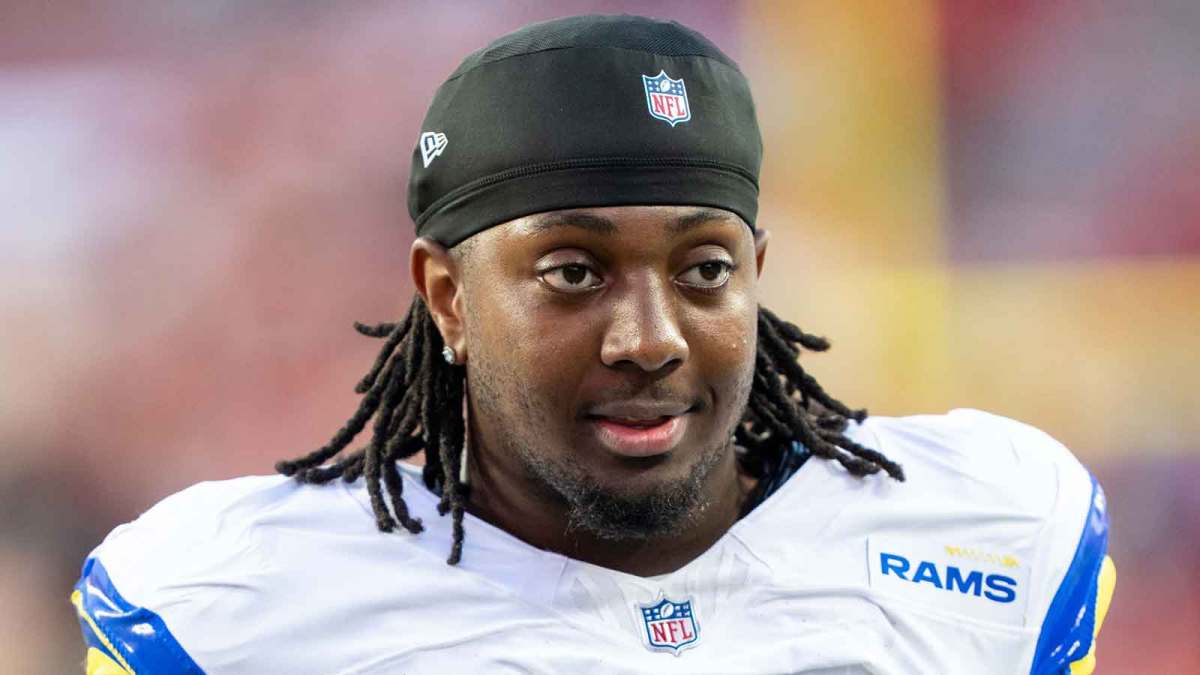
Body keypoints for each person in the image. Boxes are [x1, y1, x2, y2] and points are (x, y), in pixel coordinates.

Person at [72, 14, 1114, 674]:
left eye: (704, 269)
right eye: (573, 272)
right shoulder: (240, 603)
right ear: (448, 298)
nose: (650, 340)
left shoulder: (988, 528)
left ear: (757, 273)